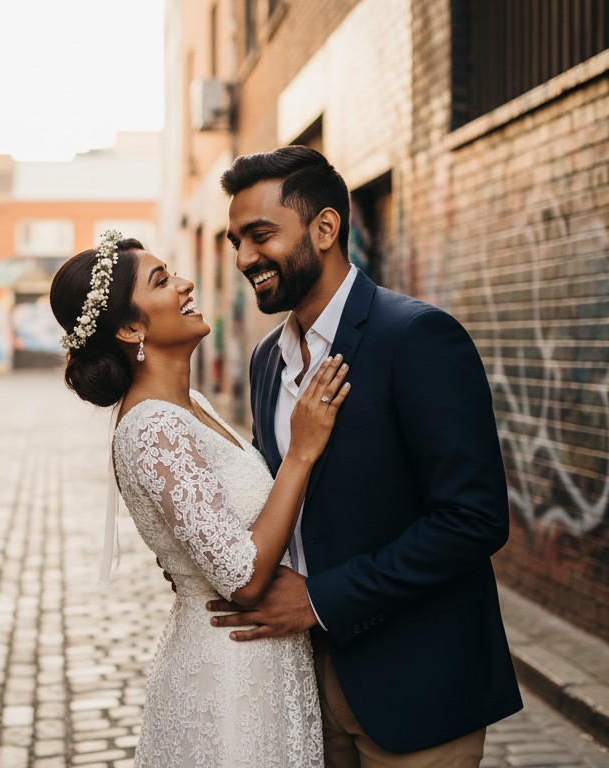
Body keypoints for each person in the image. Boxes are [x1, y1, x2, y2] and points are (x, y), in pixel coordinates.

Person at [207, 145, 523, 766]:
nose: (243, 259)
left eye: (260, 236)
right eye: (235, 242)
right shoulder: (266, 360)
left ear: (325, 228)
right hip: (300, 687)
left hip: (415, 684)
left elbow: (474, 519)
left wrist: (319, 599)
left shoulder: (416, 337)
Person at [50, 230, 349, 767]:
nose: (186, 284)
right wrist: (301, 452)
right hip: (230, 675)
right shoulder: (152, 429)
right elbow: (243, 579)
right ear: (130, 328)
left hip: (267, 661)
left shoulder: (189, 404)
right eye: (162, 281)